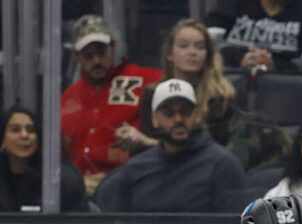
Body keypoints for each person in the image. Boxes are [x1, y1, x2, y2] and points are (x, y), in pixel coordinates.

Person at [120, 19, 292, 172]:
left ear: (208, 55)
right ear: (170, 55)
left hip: (208, 172)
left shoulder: (220, 95)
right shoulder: (153, 93)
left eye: (199, 47)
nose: (192, 52)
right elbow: (145, 150)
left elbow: (208, 152)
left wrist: (146, 141)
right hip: (161, 170)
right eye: (184, 46)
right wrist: (135, 139)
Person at [95, 80, 245, 212]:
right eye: (169, 113)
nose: (178, 119)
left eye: (185, 112)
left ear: (197, 115)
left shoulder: (223, 164)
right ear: (155, 119)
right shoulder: (135, 169)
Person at [60, 14, 163, 194]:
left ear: (113, 47)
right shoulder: (69, 98)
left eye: (102, 52)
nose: (96, 61)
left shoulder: (145, 79)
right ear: (75, 55)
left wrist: (145, 140)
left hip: (128, 183)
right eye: (88, 55)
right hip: (78, 186)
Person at [0, 106, 87, 213]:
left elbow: (78, 220)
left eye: (31, 130)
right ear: (3, 140)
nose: (24, 135)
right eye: (15, 130)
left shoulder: (62, 177)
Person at [206, 0, 302, 73]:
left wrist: (276, 65)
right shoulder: (230, 4)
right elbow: (207, 46)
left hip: (286, 89)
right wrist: (241, 58)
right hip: (229, 82)